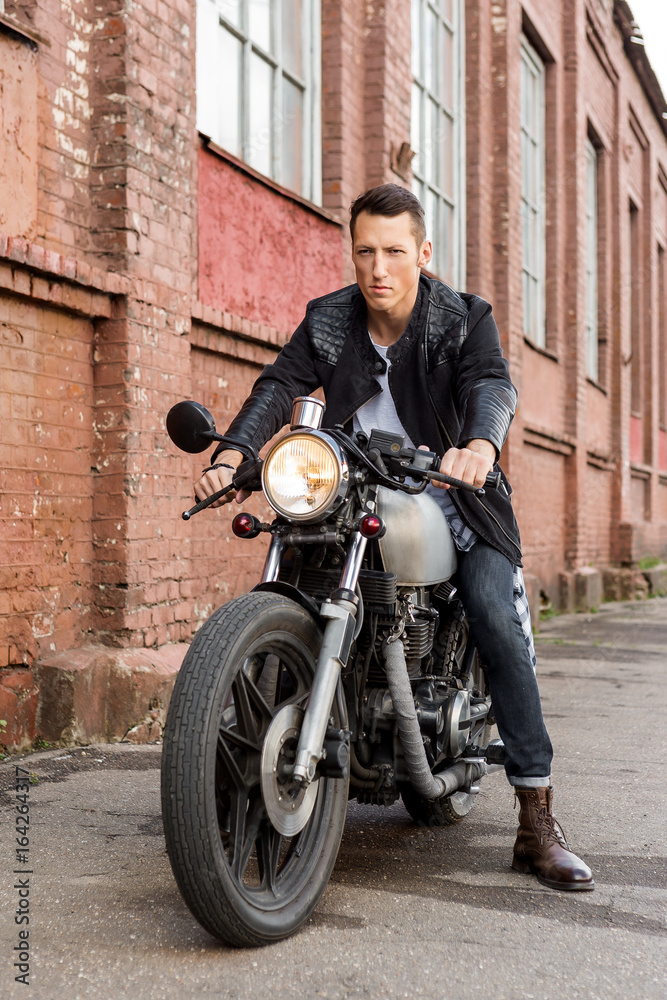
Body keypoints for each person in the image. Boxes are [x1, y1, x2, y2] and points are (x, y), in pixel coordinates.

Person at [194, 183, 594, 892]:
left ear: (422, 253)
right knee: (288, 566)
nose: (378, 267)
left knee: (496, 620)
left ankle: (536, 818)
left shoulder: (462, 318)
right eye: (365, 251)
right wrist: (233, 456)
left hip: (452, 494)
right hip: (351, 484)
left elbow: (490, 385)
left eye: (394, 252)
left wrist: (477, 445)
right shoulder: (328, 319)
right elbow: (276, 386)